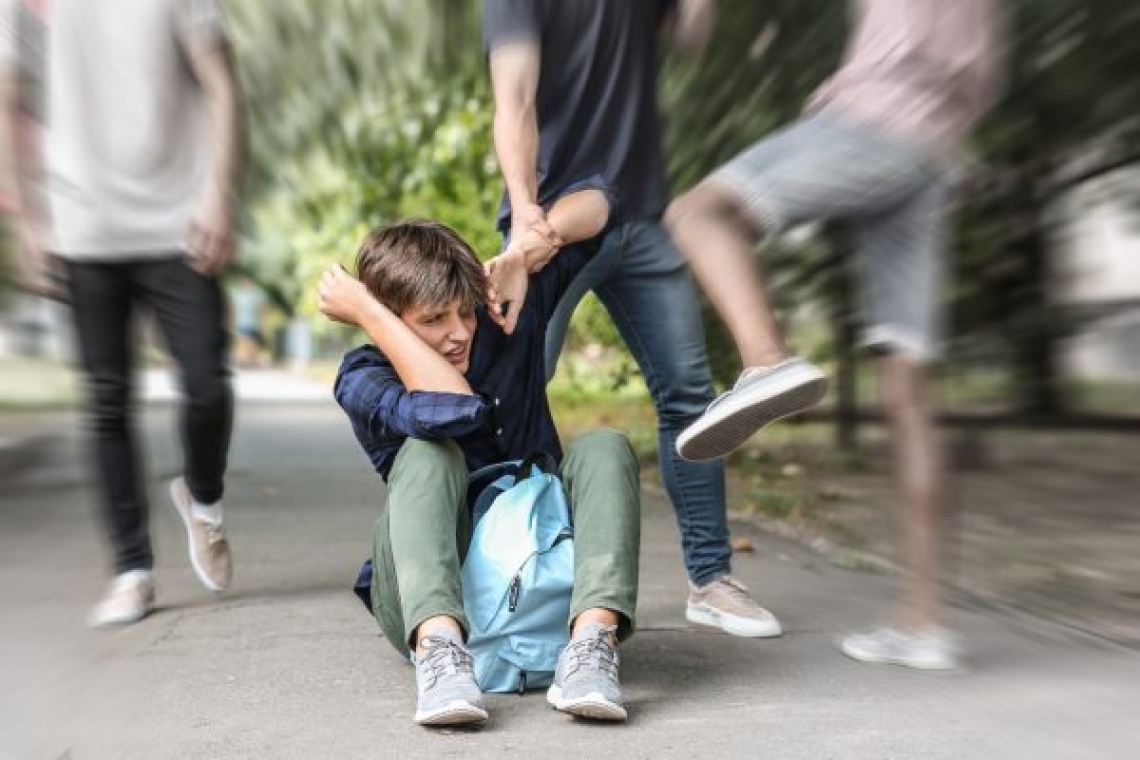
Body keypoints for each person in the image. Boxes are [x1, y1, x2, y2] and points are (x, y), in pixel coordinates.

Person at [666, 0, 1001, 669]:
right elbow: (981, 73)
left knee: (700, 213)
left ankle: (767, 361)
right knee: (909, 398)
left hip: (870, 120)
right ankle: (923, 625)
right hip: (932, 155)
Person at [484, 0, 782, 639]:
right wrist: (524, 211)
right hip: (550, 221)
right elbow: (514, 99)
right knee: (513, 404)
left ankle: (711, 580)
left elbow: (693, 37)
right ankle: (502, 578)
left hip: (641, 216)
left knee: (690, 399)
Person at [320, 200, 641, 726]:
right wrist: (372, 316)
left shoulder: (503, 317)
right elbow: (453, 405)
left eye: (464, 311)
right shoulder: (363, 377)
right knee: (428, 452)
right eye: (433, 320)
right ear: (388, 323)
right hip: (430, 595)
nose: (461, 332)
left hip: (543, 569)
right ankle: (442, 656)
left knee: (604, 445)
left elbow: (605, 207)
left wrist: (522, 253)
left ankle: (591, 647)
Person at [2, 0, 243, 626]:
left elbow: (221, 83)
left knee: (208, 385)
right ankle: (131, 570)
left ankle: (204, 500)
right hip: (84, 229)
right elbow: (9, 98)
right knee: (107, 399)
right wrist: (30, 219)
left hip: (179, 221)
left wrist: (219, 195)